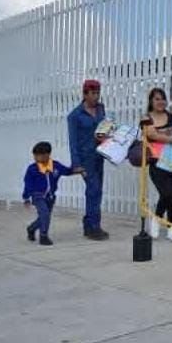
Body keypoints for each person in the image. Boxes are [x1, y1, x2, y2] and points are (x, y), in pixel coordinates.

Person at [143, 87, 172, 242]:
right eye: (157, 99)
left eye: (163, 98)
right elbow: (151, 134)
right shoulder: (145, 117)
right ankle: (156, 219)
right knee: (167, 193)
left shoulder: (171, 116)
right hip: (157, 162)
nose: (160, 102)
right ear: (151, 101)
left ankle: (171, 229)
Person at [67, 79, 109, 240]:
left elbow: (104, 127)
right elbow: (73, 141)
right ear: (85, 94)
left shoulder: (100, 109)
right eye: (93, 93)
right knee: (94, 190)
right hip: (85, 159)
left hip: (100, 156)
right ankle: (93, 227)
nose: (96, 97)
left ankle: (88, 224)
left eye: (98, 93)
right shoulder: (75, 116)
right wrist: (76, 164)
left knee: (96, 191)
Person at [22, 141, 84, 246]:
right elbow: (28, 183)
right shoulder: (32, 169)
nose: (36, 158)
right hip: (38, 196)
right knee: (45, 214)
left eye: (38, 156)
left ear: (47, 155)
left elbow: (67, 171)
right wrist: (26, 197)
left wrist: (78, 171)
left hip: (50, 197)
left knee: (44, 217)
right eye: (35, 155)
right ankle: (44, 236)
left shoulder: (56, 166)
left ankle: (31, 228)